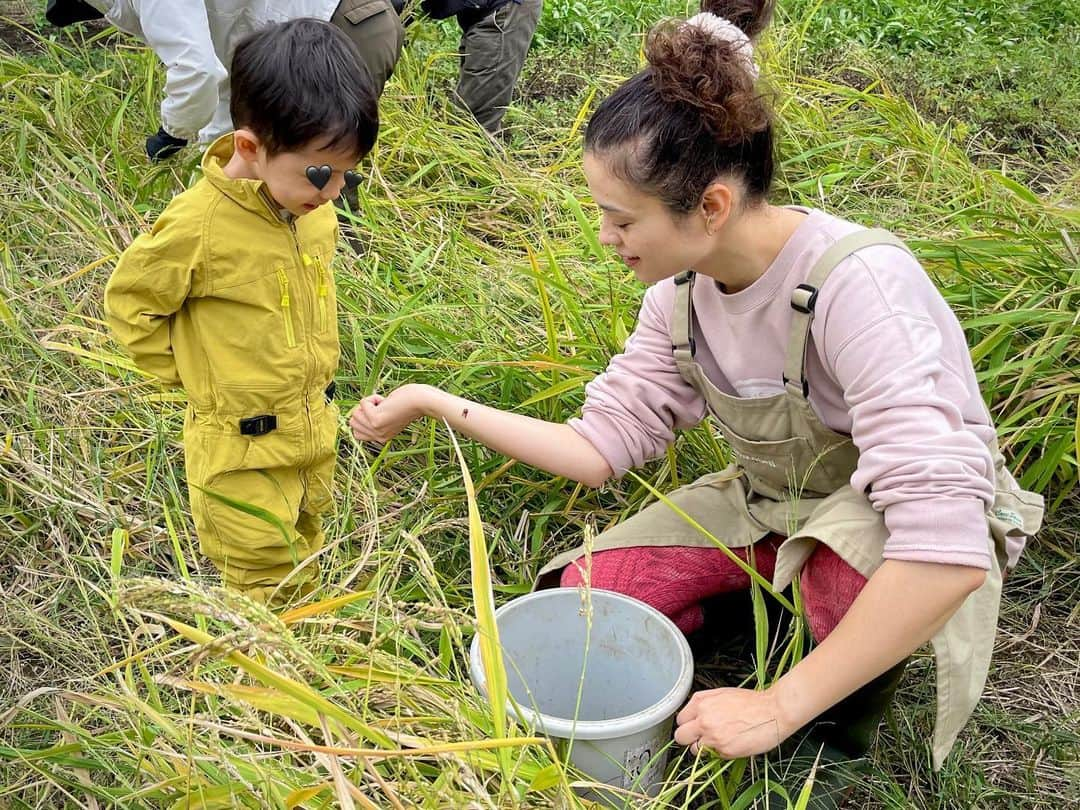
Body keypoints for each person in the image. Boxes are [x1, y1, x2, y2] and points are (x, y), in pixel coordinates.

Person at [346, 0, 1045, 799]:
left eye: (619, 217)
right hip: (773, 503)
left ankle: (830, 714)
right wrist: (435, 400)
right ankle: (769, 618)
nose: (606, 239)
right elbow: (598, 449)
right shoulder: (680, 295)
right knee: (590, 600)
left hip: (876, 521)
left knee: (850, 596)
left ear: (709, 207)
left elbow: (943, 547)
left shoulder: (861, 290)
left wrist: (777, 710)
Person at [105, 19, 379, 603]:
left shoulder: (311, 211)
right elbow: (132, 303)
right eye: (317, 172)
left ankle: (307, 643)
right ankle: (270, 683)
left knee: (308, 544)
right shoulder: (197, 226)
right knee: (262, 582)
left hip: (312, 429)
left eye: (345, 173)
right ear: (251, 147)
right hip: (240, 446)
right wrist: (196, 378)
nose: (333, 192)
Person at [45, 1, 402, 161]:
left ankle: (341, 286)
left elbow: (196, 71)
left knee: (315, 169)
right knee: (288, 170)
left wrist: (172, 135)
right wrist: (210, 154)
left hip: (339, 30)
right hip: (349, 25)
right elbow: (226, 72)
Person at [419, 0, 542, 133]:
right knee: (469, 107)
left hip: (502, 9)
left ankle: (475, 150)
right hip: (481, 11)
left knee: (473, 123)